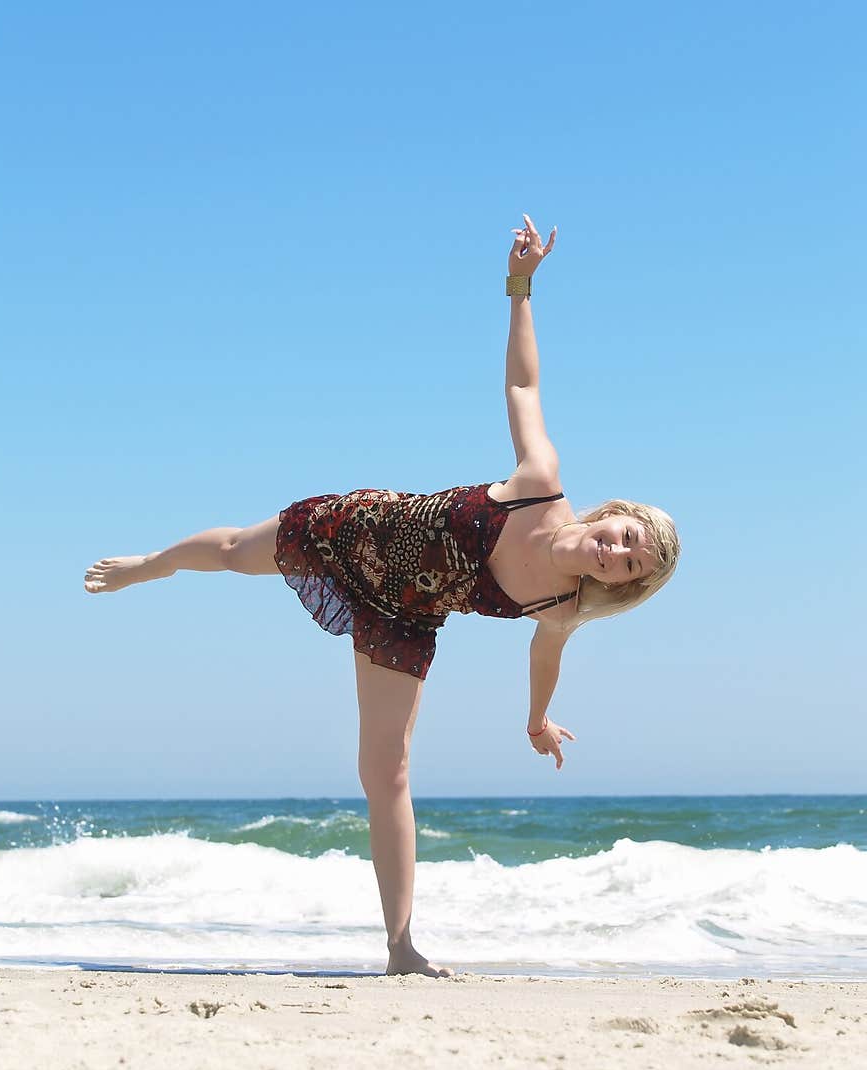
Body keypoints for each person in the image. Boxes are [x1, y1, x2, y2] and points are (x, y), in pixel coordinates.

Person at [84, 214, 681, 979]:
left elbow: (545, 660)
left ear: (618, 584)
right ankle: (152, 563)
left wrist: (536, 722)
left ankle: (400, 945)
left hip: (404, 615)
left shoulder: (561, 607)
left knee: (386, 772)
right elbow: (524, 384)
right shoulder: (540, 486)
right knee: (235, 551)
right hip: (363, 529)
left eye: (631, 566)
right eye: (628, 536)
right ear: (615, 515)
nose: (620, 553)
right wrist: (521, 285)